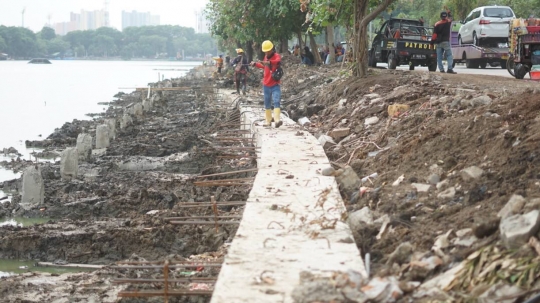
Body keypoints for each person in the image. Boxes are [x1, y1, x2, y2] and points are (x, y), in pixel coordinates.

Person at [250, 40, 283, 128]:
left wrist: (269, 62)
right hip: (266, 84)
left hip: (275, 84)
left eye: (268, 51)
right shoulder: (265, 57)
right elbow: (263, 66)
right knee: (267, 103)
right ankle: (268, 120)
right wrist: (255, 64)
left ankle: (277, 120)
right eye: (265, 51)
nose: (267, 53)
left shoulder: (276, 56)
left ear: (272, 49)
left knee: (276, 101)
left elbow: (277, 62)